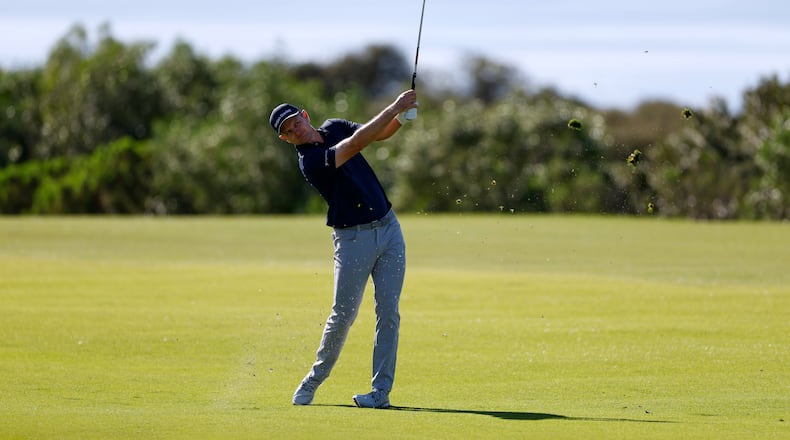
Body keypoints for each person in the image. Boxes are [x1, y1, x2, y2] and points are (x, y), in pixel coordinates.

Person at [269, 89, 418, 409]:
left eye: (296, 123)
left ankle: (380, 393)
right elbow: (355, 145)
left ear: (305, 116)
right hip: (353, 241)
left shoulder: (334, 125)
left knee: (389, 312)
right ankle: (313, 380)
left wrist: (403, 117)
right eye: (288, 132)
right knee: (343, 316)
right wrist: (393, 105)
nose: (296, 131)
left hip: (389, 230)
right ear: (285, 140)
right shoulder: (310, 162)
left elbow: (379, 134)